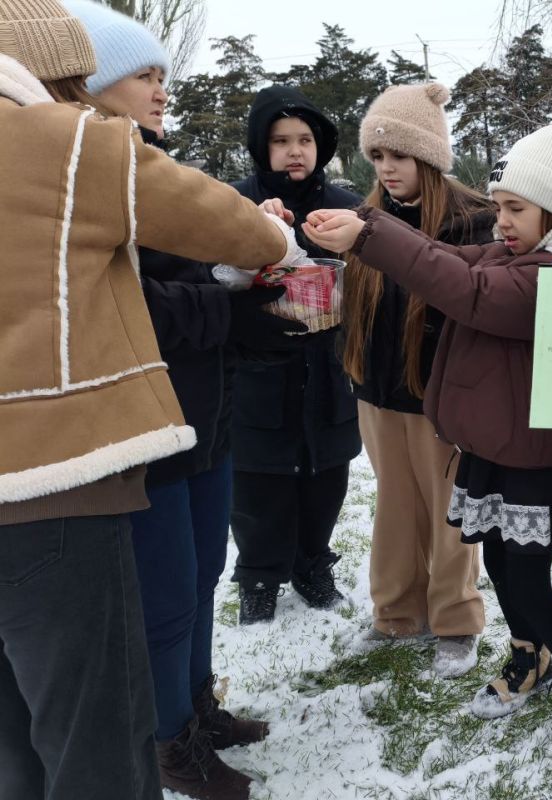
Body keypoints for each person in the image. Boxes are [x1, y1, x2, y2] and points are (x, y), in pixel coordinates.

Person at [0, 2, 300, 799]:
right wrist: (251, 276)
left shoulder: (117, 155)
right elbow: (153, 289)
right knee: (99, 718)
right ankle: (174, 737)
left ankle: (192, 711)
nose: (163, 91)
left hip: (194, 418)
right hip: (77, 460)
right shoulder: (77, 146)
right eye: (144, 75)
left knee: (26, 733)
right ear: (75, 80)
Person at [305, 125, 552, 765]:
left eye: (515, 209)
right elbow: (437, 255)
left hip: (535, 461)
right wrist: (367, 221)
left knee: (528, 579)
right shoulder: (506, 255)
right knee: (500, 567)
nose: (499, 220)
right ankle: (527, 655)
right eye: (497, 206)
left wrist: (368, 233)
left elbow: (465, 291)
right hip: (491, 448)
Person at [342, 82, 495, 678]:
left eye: (397, 156)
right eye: (377, 157)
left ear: (428, 156)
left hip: (441, 397)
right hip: (377, 394)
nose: (386, 168)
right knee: (395, 505)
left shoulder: (473, 221)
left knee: (449, 512)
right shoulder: (363, 216)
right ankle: (396, 613)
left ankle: (456, 619)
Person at [228, 85, 363, 624]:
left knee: (325, 472)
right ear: (262, 148)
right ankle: (259, 577)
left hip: (326, 365)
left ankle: (312, 565)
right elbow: (211, 278)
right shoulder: (234, 203)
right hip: (257, 366)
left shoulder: (346, 207)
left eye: (304, 139)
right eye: (280, 140)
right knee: (259, 480)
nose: (294, 151)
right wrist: (253, 231)